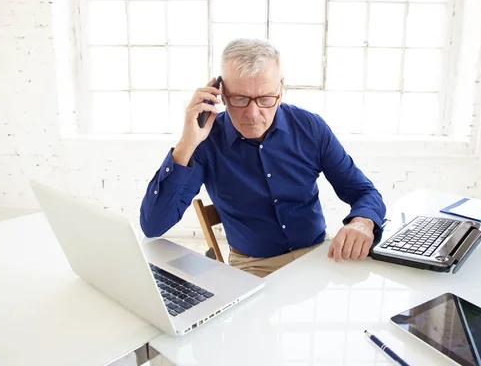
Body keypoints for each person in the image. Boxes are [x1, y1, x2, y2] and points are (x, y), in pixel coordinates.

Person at [140, 38, 386, 278]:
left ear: (281, 88)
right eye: (240, 99)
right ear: (221, 93)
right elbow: (153, 226)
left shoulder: (311, 128)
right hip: (252, 267)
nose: (253, 114)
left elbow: (364, 191)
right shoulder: (205, 142)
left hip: (316, 254)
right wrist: (187, 143)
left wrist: (362, 222)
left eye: (266, 99)